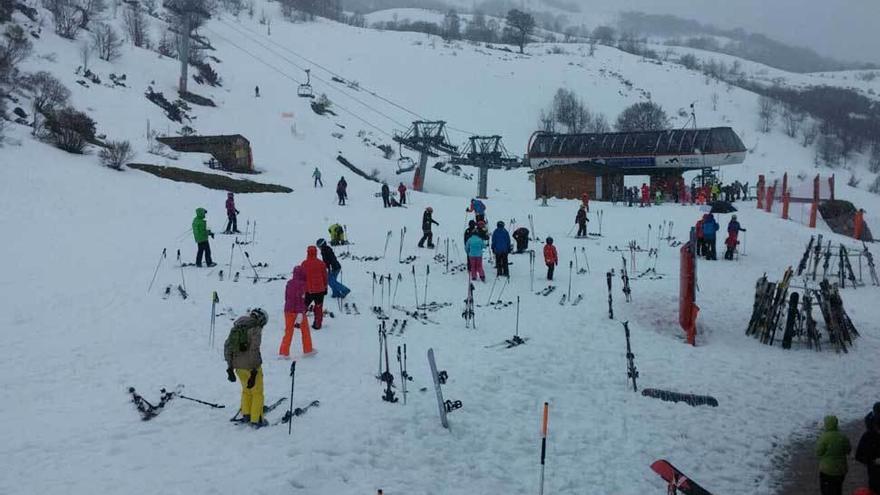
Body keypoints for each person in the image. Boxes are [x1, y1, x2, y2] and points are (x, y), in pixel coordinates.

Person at [224, 308, 267, 427]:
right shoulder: (255, 330)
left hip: (238, 367)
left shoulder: (237, 326)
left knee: (246, 391)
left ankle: (246, 414)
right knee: (257, 392)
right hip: (252, 367)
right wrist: (254, 370)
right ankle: (256, 419)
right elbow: (254, 350)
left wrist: (230, 367)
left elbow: (227, 346)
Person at [279, 267, 313, 357]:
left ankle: (283, 352)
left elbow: (286, 297)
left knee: (288, 331)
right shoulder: (303, 285)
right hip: (299, 311)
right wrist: (301, 312)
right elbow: (300, 300)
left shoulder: (289, 283)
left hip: (288, 310)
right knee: (305, 330)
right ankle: (308, 349)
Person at [816, 415, 852, 495]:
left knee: (826, 490)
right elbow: (848, 450)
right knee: (838, 489)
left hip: (827, 470)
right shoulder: (842, 437)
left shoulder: (824, 438)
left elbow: (819, 452)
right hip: (841, 469)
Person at [301, 246, 328, 330]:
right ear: (316, 252)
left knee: (304, 306)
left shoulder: (304, 264)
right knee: (318, 307)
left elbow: (302, 277)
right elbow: (325, 277)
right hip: (320, 290)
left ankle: (298, 322)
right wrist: (325, 287)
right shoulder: (321, 263)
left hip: (309, 290)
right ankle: (317, 324)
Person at [856, 403, 880, 493]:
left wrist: (872, 461)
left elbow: (859, 456)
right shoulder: (868, 437)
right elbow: (859, 456)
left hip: (874, 474)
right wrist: (873, 461)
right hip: (875, 474)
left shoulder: (868, 436)